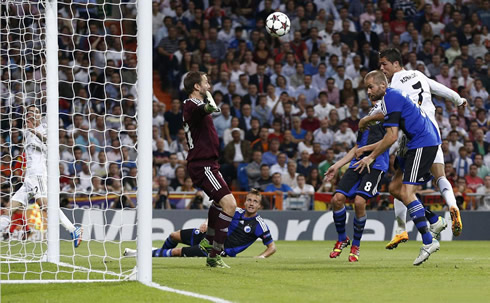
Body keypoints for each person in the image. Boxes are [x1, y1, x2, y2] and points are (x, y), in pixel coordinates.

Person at [360, 48, 465, 248]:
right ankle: (452, 206)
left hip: (414, 135)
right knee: (439, 176)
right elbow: (442, 89)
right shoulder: (419, 75)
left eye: (384, 64)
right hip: (434, 133)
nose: (382, 68)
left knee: (400, 185)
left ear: (396, 64)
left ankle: (402, 229)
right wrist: (459, 100)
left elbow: (388, 111)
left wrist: (368, 118)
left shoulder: (395, 85)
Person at [355, 70, 441, 265]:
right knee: (395, 189)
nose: (368, 91)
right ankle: (433, 220)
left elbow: (392, 136)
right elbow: (386, 127)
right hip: (415, 143)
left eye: (371, 87)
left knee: (407, 192)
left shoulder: (391, 97)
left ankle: (428, 241)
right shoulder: (391, 98)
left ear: (382, 86)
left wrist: (371, 157)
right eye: (366, 88)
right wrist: (367, 145)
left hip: (422, 142)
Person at [5, 105, 82, 247]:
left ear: (40, 116)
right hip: (29, 177)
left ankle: (72, 229)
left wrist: (34, 131)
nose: (32, 114)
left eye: (35, 112)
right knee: (9, 208)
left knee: (45, 206)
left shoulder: (44, 129)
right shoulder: (26, 132)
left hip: (38, 175)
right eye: (29, 112)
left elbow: (51, 147)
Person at [182, 71, 237, 268]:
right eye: (206, 82)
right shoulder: (191, 104)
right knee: (230, 205)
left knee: (218, 203)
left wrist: (209, 104)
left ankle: (208, 242)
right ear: (196, 86)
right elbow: (202, 110)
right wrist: (208, 105)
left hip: (209, 163)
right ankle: (215, 253)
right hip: (203, 164)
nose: (209, 84)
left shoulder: (195, 104)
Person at [124, 189, 276, 258]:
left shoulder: (259, 225)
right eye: (249, 200)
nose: (251, 203)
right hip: (209, 237)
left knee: (177, 252)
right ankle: (158, 255)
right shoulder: (235, 210)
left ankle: (144, 256)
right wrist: (206, 222)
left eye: (255, 201)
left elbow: (272, 247)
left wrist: (261, 257)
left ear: (259, 206)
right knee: (173, 235)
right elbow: (216, 213)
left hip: (219, 250)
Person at [323, 111, 389, 262]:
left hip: (376, 165)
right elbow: (357, 148)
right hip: (356, 164)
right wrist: (337, 165)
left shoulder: (388, 118)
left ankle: (356, 245)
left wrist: (366, 121)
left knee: (359, 202)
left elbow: (388, 141)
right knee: (337, 199)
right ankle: (342, 239)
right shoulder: (364, 123)